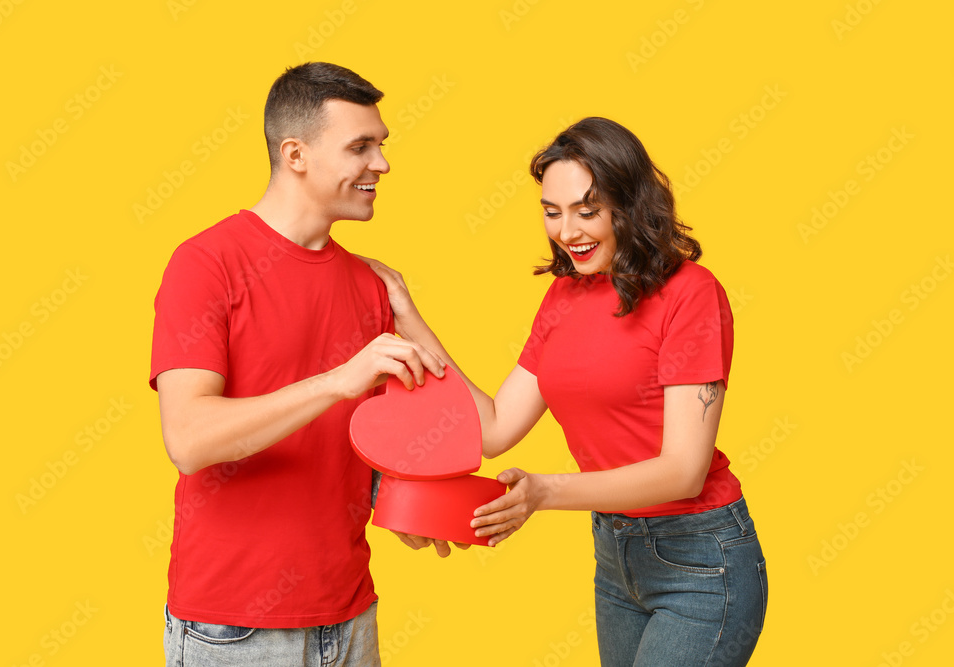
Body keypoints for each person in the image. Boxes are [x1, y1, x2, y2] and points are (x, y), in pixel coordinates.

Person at [364, 117, 768, 666]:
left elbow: (683, 471)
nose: (567, 231)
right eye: (552, 212)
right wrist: (407, 313)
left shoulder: (690, 294)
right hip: (617, 554)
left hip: (700, 558)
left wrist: (544, 492)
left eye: (587, 210)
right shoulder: (564, 296)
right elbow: (493, 428)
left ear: (629, 205)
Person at [149, 62, 449, 666]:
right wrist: (337, 381)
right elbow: (189, 438)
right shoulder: (207, 264)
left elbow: (358, 440)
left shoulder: (371, 285)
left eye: (382, 145)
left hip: (348, 616)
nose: (382, 164)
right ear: (296, 154)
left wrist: (398, 498)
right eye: (360, 147)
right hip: (236, 629)